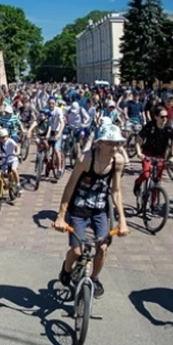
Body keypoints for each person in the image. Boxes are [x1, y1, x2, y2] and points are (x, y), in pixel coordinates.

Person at [53, 122, 130, 299]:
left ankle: (94, 278)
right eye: (111, 143)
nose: (115, 147)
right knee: (77, 251)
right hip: (78, 208)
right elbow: (70, 186)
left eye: (117, 143)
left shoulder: (117, 161)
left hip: (99, 210)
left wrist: (123, 221)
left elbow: (116, 191)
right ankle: (66, 270)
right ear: (100, 143)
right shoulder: (86, 159)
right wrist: (61, 216)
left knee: (102, 247)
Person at [133, 105, 173, 196]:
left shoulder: (168, 128)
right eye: (162, 117)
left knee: (157, 180)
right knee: (146, 175)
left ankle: (154, 204)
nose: (165, 119)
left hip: (160, 155)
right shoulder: (149, 126)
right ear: (156, 117)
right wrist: (138, 152)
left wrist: (172, 156)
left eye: (166, 116)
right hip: (147, 153)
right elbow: (138, 140)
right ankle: (138, 183)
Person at [0, 127, 22, 197]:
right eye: (1, 137)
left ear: (8, 136)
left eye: (5, 137)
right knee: (3, 173)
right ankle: (2, 185)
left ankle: (18, 184)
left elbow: (17, 146)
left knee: (14, 169)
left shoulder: (10, 141)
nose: (3, 139)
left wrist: (17, 152)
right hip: (5, 160)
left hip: (13, 159)